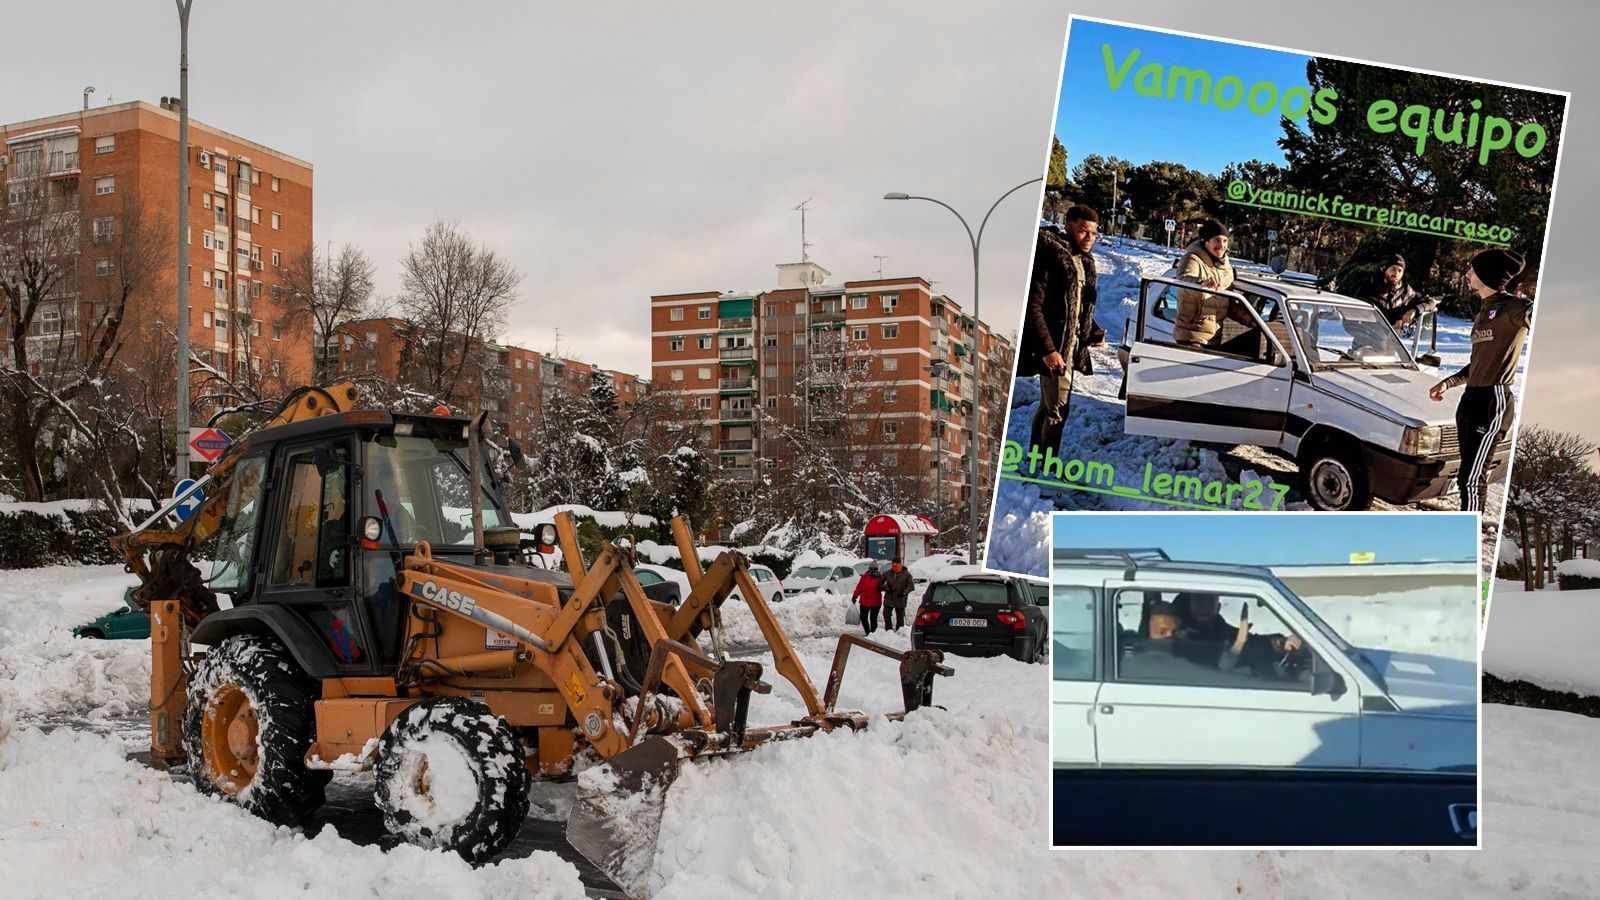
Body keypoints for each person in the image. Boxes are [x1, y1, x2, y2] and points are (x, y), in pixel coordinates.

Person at [1428, 248, 1530, 512]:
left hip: (1493, 401)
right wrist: (1448, 382)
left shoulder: (1513, 309)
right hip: (1471, 399)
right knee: (1466, 476)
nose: (1467, 274)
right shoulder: (1485, 310)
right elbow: (1479, 362)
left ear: (1487, 276)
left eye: (1472, 270)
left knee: (1472, 478)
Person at [1020, 205, 1102, 458]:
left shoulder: (1083, 260)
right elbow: (1033, 307)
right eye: (1082, 231)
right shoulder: (1052, 257)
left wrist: (1092, 330)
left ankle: (1035, 459)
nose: (1089, 238)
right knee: (1058, 409)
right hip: (1056, 349)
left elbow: (1074, 306)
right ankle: (1047, 465)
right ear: (1068, 227)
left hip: (1072, 345)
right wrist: (1049, 350)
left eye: (1094, 233)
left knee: (1049, 406)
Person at [1172, 219, 1253, 349]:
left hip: (1214, 339)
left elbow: (1230, 304)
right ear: (1206, 241)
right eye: (1217, 240)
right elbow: (1183, 280)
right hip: (1192, 337)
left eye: (1225, 241)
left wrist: (1253, 321)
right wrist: (1201, 284)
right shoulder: (1193, 259)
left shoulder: (1226, 268)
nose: (1222, 245)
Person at [1354, 253, 1434, 330]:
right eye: (1393, 268)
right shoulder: (1368, 288)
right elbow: (1351, 317)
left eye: (1400, 270)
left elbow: (1430, 302)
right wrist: (1363, 335)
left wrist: (1414, 310)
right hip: (1365, 341)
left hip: (1393, 342)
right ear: (1385, 269)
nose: (1396, 273)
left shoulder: (1406, 291)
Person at [879, 557, 914, 632]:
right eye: (893, 563)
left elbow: (911, 586)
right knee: (886, 614)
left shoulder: (907, 574)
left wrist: (905, 592)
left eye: (896, 563)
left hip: (900, 599)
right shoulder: (887, 573)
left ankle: (900, 631)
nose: (894, 565)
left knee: (900, 617)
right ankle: (889, 630)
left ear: (900, 564)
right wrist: (886, 588)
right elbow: (880, 584)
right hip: (889, 598)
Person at [851, 564, 885, 636]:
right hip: (865, 600)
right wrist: (855, 596)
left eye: (874, 569)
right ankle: (868, 633)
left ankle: (873, 633)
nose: (872, 570)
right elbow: (859, 587)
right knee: (863, 618)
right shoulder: (864, 577)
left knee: (873, 619)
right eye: (871, 569)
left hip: (875, 601)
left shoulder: (880, 578)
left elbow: (882, 587)